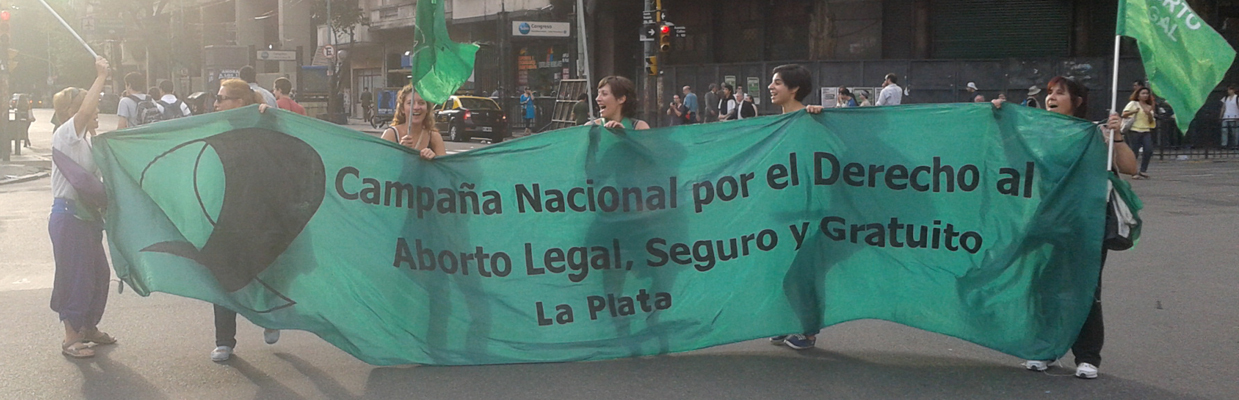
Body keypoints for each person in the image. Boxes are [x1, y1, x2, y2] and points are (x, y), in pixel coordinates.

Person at [997, 76, 1138, 380]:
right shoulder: (1038, 131)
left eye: (1060, 93)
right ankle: (1045, 349)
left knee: (1085, 287)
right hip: (1047, 221)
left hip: (1086, 224)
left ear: (1077, 102)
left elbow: (1130, 168)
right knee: (1043, 285)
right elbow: (1010, 155)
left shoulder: (1095, 133)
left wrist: (1117, 135)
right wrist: (999, 116)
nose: (1051, 97)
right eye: (1050, 93)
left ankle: (1087, 356)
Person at [209, 78, 279, 362]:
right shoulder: (215, 126)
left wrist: (269, 117)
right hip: (225, 214)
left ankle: (270, 317)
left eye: (221, 98)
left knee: (265, 273)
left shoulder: (262, 123)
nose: (215, 103)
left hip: (261, 214)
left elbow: (288, 146)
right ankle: (224, 341)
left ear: (238, 102)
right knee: (223, 277)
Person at [49, 56, 115, 359]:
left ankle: (88, 327)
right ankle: (71, 337)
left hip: (86, 218)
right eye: (91, 106)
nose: (96, 110)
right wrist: (101, 76)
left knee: (98, 274)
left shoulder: (86, 141)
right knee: (76, 277)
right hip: (69, 217)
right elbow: (86, 110)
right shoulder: (66, 134)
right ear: (72, 112)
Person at [765, 64, 828, 350]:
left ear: (794, 89)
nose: (770, 87)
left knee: (800, 272)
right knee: (779, 270)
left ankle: (808, 331)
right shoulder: (775, 124)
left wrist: (819, 117)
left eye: (777, 82)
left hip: (808, 213)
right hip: (783, 212)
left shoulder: (810, 119)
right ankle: (788, 323)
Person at [380, 85, 446, 160]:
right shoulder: (391, 134)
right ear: (402, 109)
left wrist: (434, 159)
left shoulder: (434, 136)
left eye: (421, 103)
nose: (416, 107)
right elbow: (380, 163)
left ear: (427, 109)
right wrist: (400, 152)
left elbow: (445, 165)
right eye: (410, 103)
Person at [1122, 87, 1156, 179]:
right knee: (1134, 151)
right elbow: (1124, 114)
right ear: (1138, 95)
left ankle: (1143, 170)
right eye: (1143, 93)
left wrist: (1149, 114)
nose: (1145, 95)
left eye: (1147, 93)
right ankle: (1133, 171)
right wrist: (1134, 111)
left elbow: (1151, 121)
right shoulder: (1133, 103)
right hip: (1134, 130)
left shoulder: (1149, 106)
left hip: (1146, 130)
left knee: (1148, 149)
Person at [1221, 85, 1238, 149]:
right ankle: (1224, 144)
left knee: (1235, 132)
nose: (1228, 91)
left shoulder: (1237, 98)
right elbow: (1223, 107)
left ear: (1233, 90)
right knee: (1224, 131)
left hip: (1235, 116)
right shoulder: (1225, 98)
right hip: (1226, 116)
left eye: (1230, 90)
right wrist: (1221, 115)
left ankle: (1235, 144)